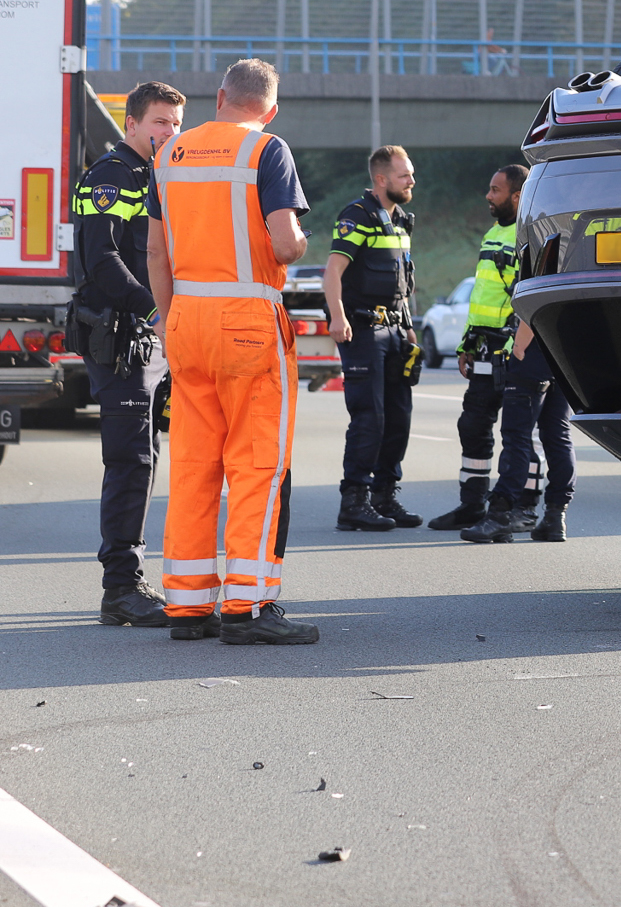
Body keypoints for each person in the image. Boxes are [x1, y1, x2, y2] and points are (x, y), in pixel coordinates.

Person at [144, 59, 317, 644]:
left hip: (187, 321)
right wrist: (297, 239)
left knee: (194, 464)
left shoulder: (169, 155)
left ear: (219, 97)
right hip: (246, 321)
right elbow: (286, 243)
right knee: (256, 465)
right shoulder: (267, 150)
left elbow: (155, 255)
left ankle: (188, 608)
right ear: (270, 109)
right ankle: (248, 607)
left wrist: (172, 324)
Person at [72, 81, 185, 627]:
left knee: (147, 456)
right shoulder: (112, 174)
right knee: (130, 460)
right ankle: (119, 588)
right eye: (161, 122)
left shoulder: (156, 176)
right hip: (120, 338)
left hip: (148, 340)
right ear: (133, 124)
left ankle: (129, 579)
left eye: (177, 123)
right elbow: (103, 260)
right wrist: (156, 311)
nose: (170, 132)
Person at [324, 145, 421, 531]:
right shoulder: (357, 216)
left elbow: (402, 283)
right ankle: (354, 502)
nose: (412, 181)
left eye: (410, 174)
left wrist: (409, 325)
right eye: (404, 175)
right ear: (381, 179)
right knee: (371, 418)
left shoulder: (400, 221)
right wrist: (337, 317)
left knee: (399, 418)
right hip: (363, 330)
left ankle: (385, 496)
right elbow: (333, 271)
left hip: (397, 330)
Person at [428, 164, 524, 530]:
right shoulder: (492, 234)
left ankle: (522, 508)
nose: (488, 196)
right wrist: (467, 342)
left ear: (517, 196)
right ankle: (472, 505)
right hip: (484, 348)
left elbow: (526, 297)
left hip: (513, 350)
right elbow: (484, 296)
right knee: (473, 426)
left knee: (520, 432)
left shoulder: (529, 233)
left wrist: (517, 347)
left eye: (495, 190)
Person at [461, 319, 574, 543]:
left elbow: (532, 303)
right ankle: (555, 517)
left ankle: (500, 514)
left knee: (516, 435)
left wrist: (519, 346)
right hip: (569, 352)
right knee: (558, 435)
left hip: (534, 349)